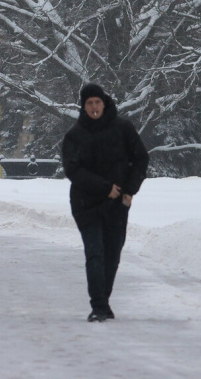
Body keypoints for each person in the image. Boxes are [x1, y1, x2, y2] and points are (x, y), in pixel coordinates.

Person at [62, 83, 149, 322]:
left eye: (97, 102)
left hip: (117, 204)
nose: (94, 107)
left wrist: (129, 190)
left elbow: (140, 159)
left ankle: (104, 302)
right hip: (86, 204)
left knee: (112, 255)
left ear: (104, 103)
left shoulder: (123, 129)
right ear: (83, 106)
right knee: (95, 254)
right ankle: (98, 305)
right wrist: (104, 188)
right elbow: (73, 170)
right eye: (89, 103)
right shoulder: (75, 135)